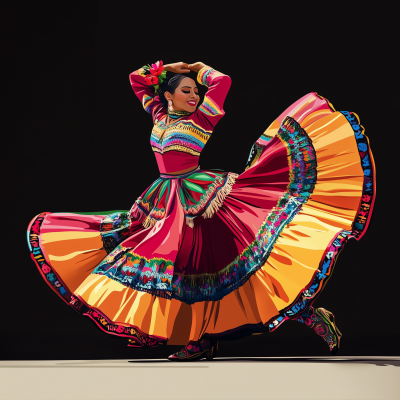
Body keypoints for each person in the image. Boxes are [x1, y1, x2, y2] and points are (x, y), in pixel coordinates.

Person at [27, 60, 376, 361]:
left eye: (196, 91)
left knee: (237, 267)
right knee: (187, 272)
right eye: (187, 91)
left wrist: (193, 68)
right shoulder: (159, 114)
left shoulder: (202, 119)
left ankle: (309, 315)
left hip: (199, 200)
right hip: (164, 197)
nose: (195, 96)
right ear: (167, 95)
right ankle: (199, 340)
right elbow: (137, 78)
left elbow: (221, 82)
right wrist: (170, 69)